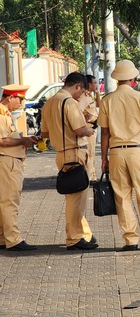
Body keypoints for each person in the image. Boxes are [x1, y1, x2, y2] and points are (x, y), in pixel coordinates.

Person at [98, 60, 140, 251]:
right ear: (133, 79)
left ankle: (130, 240)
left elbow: (104, 132)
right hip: (138, 150)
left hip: (117, 153)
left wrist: (104, 157)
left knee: (122, 196)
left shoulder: (107, 100)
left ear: (117, 79)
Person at [41, 72, 98, 250]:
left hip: (61, 154)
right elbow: (80, 130)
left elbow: (44, 133)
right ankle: (74, 238)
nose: (80, 95)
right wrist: (89, 130)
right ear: (78, 86)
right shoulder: (69, 102)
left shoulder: (49, 102)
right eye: (81, 91)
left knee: (72, 198)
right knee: (77, 200)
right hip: (74, 152)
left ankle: (80, 234)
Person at [0, 85, 42, 251]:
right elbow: (2, 140)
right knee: (10, 201)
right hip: (7, 161)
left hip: (9, 160)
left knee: (4, 201)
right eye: (20, 99)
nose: (22, 103)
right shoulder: (1, 114)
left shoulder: (6, 113)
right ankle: (13, 239)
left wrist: (25, 139)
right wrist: (22, 141)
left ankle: (3, 237)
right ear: (10, 97)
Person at [77, 75, 100, 180]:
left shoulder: (90, 96)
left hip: (93, 128)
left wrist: (98, 94)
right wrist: (85, 118)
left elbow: (99, 106)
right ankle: (90, 177)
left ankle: (92, 174)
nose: (96, 85)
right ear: (89, 84)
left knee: (92, 153)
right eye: (94, 83)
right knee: (89, 154)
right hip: (88, 127)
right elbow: (78, 112)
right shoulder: (83, 97)